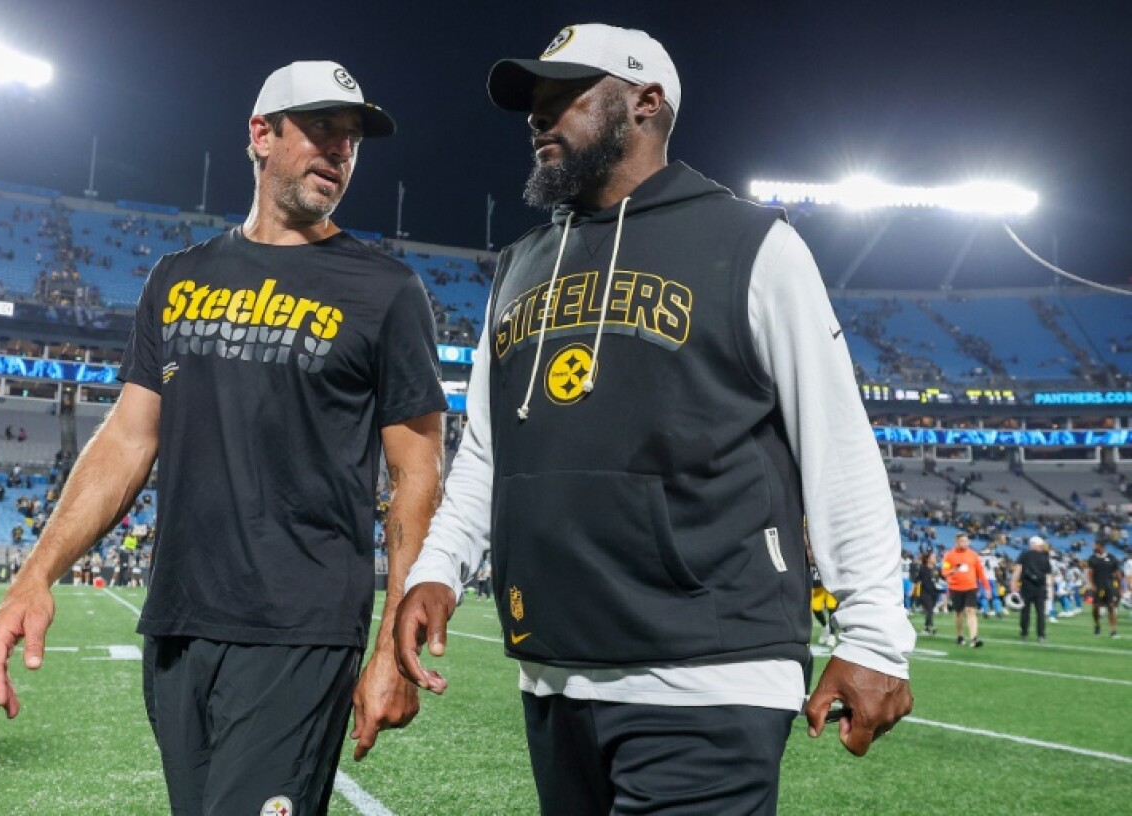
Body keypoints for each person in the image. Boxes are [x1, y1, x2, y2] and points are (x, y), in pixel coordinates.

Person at [394, 24, 914, 814]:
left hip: (708, 672)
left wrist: (873, 636)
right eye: (533, 102)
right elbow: (490, 457)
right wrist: (438, 569)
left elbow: (837, 445)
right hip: (555, 673)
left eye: (563, 97)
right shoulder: (521, 262)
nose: (538, 118)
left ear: (645, 103)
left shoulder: (752, 244)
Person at [0, 60, 447, 815]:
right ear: (261, 136)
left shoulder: (387, 292)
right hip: (177, 624)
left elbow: (417, 476)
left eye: (353, 140)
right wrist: (35, 575)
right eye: (322, 130)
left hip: (299, 630)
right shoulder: (177, 276)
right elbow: (128, 441)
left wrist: (392, 639)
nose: (339, 152)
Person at [942, 533, 989, 647]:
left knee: (971, 611)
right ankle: (960, 635)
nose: (965, 543)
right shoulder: (949, 555)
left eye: (966, 541)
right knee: (959, 613)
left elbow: (980, 572)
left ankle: (974, 638)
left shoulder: (973, 554)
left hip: (971, 587)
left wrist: (987, 587)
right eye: (962, 541)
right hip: (956, 588)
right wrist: (953, 570)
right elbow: (944, 571)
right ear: (957, 542)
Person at [1011, 535, 1051, 642]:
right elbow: (1048, 575)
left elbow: (1018, 570)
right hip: (1040, 587)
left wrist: (1013, 583)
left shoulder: (1024, 554)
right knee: (1040, 613)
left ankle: (1024, 633)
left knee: (1025, 611)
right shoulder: (1045, 556)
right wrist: (1050, 589)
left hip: (1027, 586)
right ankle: (1041, 635)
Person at [1087, 540, 1122, 637]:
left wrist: (1120, 588)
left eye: (1095, 545)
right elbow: (1090, 573)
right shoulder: (1092, 559)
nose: (1093, 547)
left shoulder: (1112, 558)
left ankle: (1113, 630)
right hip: (1098, 587)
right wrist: (1092, 584)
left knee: (1111, 607)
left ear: (1101, 546)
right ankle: (1097, 625)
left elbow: (1118, 574)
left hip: (1110, 587)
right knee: (1096, 607)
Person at [917, 551, 941, 635]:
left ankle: (926, 628)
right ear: (928, 559)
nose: (935, 559)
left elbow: (940, 579)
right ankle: (931, 626)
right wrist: (916, 593)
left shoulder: (936, 569)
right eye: (933, 557)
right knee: (930, 610)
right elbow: (918, 581)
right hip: (925, 592)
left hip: (934, 593)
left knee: (929, 610)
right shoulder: (923, 568)